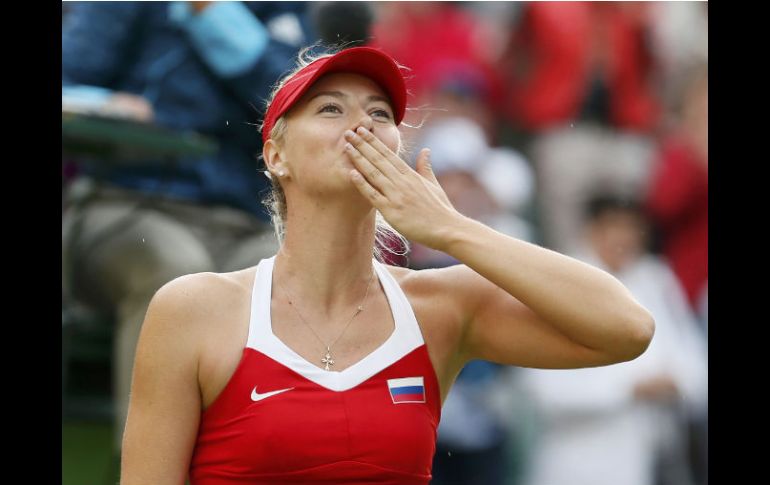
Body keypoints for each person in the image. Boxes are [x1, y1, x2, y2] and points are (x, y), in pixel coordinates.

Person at [120, 46, 655, 484]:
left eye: (379, 114)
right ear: (277, 157)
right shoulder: (194, 308)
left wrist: (452, 229)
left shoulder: (438, 308)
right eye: (331, 109)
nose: (362, 126)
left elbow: (627, 329)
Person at [61, 0, 313, 452]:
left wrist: (215, 16)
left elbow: (296, 106)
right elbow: (69, 78)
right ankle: (148, 467)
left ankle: (260, 466)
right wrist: (108, 105)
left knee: (296, 280)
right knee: (179, 274)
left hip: (243, 222)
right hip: (122, 207)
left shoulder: (287, 12)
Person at [519, 193, 707, 485]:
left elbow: (693, 363)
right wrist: (629, 389)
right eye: (614, 226)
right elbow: (542, 388)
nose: (625, 238)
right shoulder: (558, 280)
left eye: (632, 228)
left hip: (657, 458)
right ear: (591, 229)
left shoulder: (655, 279)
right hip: (578, 462)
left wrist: (677, 381)